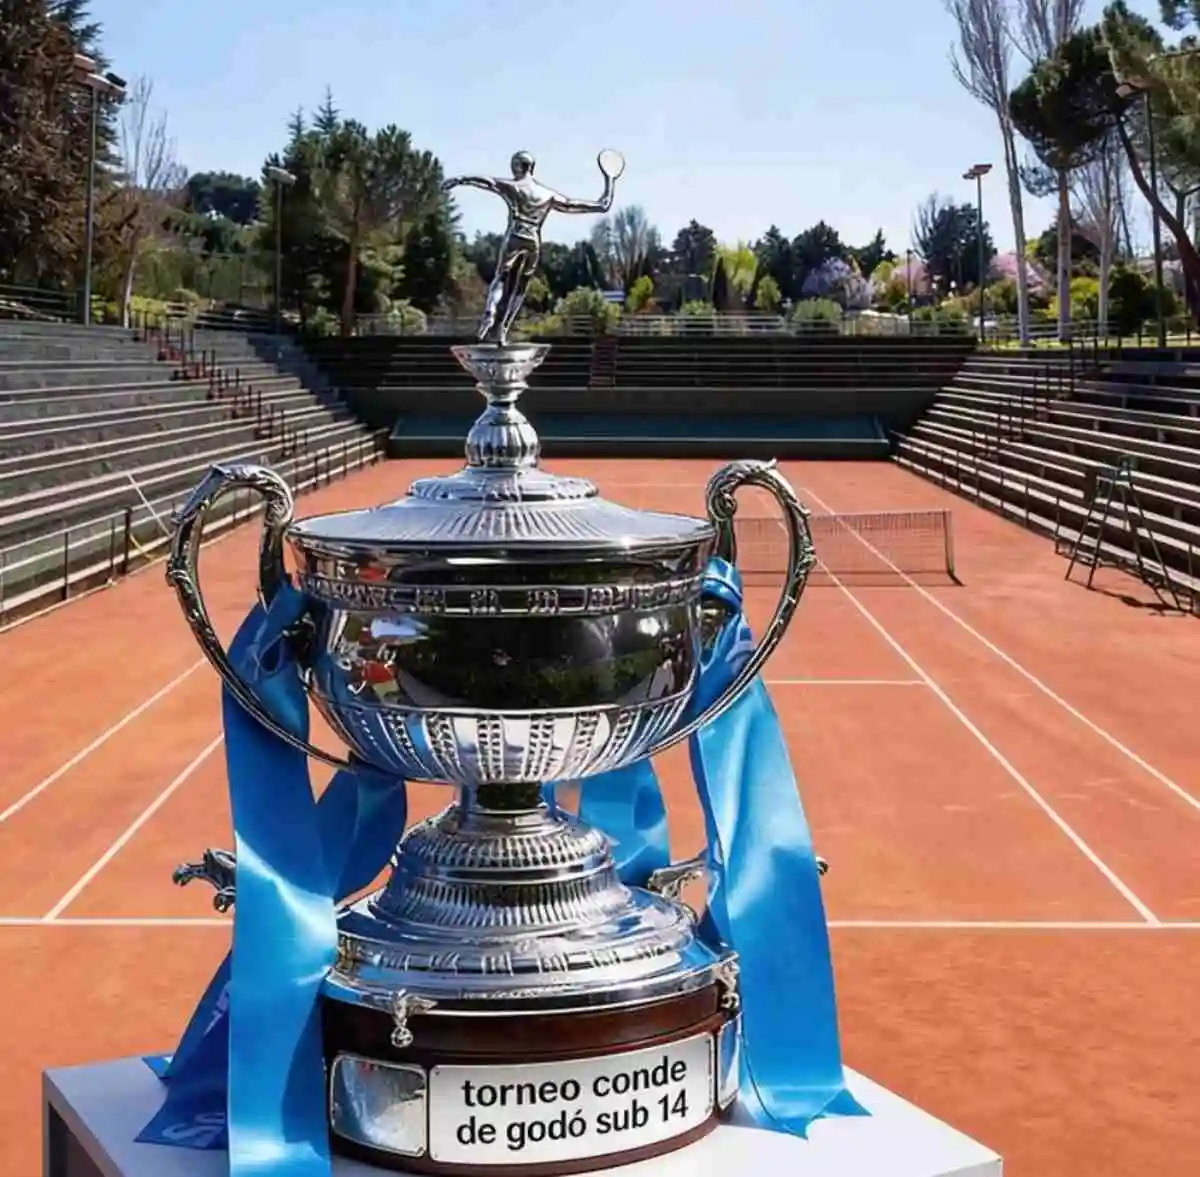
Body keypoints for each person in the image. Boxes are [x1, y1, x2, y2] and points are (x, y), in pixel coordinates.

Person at [442, 150, 621, 345]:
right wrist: (609, 180)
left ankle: (489, 314)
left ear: (517, 167)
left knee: (501, 277)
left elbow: (487, 182)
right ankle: (503, 329)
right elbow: (600, 206)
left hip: (516, 234)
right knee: (521, 287)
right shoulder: (547, 194)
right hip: (534, 240)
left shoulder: (514, 187)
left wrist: (460, 179)